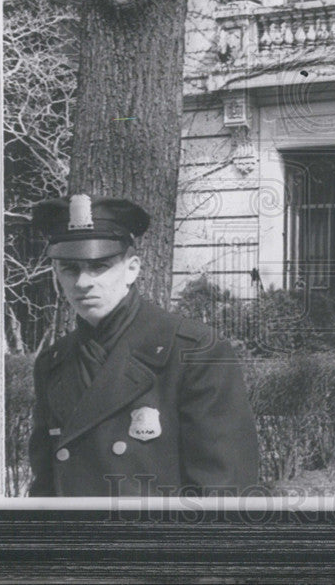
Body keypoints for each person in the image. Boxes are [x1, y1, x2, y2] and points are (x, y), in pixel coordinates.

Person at [27, 193, 259, 497]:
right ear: (57, 274)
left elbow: (224, 492)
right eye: (70, 269)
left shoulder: (193, 351)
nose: (83, 282)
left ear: (132, 269)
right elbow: (45, 489)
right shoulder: (53, 362)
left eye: (99, 266)